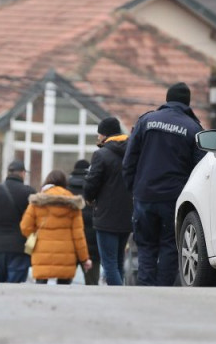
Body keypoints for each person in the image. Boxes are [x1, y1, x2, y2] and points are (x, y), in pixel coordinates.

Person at [123, 82, 205, 286]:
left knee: (146, 246)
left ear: (167, 99)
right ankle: (163, 291)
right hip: (173, 199)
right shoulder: (193, 128)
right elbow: (200, 168)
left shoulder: (146, 121)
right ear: (187, 102)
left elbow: (129, 159)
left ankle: (145, 287)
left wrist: (133, 189)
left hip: (145, 197)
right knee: (170, 246)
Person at [85, 116, 134, 286]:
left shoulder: (101, 154)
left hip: (106, 216)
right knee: (118, 261)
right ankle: (122, 293)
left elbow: (92, 183)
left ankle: (119, 295)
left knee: (109, 263)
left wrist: (89, 198)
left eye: (99, 134)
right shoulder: (132, 152)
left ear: (104, 135)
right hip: (127, 215)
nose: (98, 138)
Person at [21, 170, 92, 285]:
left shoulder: (37, 201)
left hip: (42, 253)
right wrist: (84, 258)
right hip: (66, 256)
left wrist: (36, 235)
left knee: (41, 288)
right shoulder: (73, 203)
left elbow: (25, 226)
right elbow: (78, 235)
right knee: (64, 291)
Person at [0, 160, 35, 283]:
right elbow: (36, 219)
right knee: (14, 287)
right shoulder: (29, 193)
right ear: (23, 173)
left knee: (1, 285)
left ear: (8, 173)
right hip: (20, 248)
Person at [68, 160, 100, 285]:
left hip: (70, 244)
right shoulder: (96, 188)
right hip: (92, 245)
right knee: (92, 284)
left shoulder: (65, 189)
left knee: (63, 284)